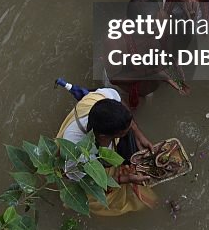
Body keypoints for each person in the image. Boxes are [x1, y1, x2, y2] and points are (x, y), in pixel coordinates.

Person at [55, 87, 157, 216]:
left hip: (100, 138)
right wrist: (125, 178)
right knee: (101, 199)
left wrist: (138, 134)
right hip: (79, 171)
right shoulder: (77, 153)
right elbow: (86, 181)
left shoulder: (102, 99)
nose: (127, 133)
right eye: (122, 133)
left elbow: (120, 102)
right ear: (104, 137)